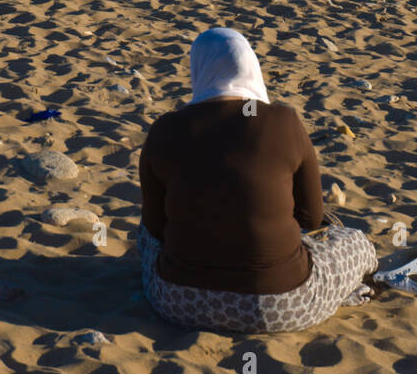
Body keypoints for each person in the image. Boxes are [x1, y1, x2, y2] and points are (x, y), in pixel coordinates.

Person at [137, 28, 379, 333]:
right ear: (251, 66)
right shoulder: (284, 121)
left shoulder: (164, 130)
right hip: (280, 306)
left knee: (144, 233)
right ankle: (347, 287)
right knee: (355, 241)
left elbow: (155, 229)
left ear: (197, 69)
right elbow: (312, 217)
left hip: (179, 302)